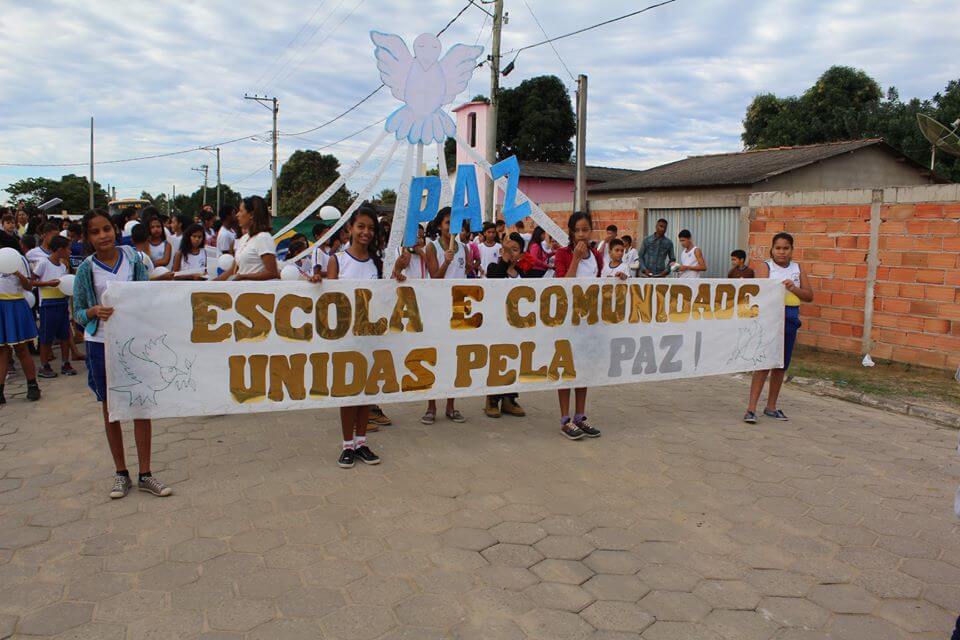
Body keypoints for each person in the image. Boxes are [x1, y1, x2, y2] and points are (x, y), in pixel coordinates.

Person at [73, 209, 172, 498]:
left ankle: (146, 473)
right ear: (88, 237)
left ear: (115, 230)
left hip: (134, 343)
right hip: (99, 343)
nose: (102, 236)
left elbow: (145, 297)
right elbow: (78, 312)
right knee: (111, 409)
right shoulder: (85, 269)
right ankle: (121, 473)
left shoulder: (134, 260)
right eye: (95, 232)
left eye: (106, 229)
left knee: (141, 406)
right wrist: (92, 311)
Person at [325, 206, 384, 469]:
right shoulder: (337, 260)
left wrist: (399, 276)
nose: (366, 232)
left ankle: (362, 442)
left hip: (370, 337)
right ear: (350, 228)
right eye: (361, 226)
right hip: (345, 337)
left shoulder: (378, 262)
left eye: (371, 228)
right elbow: (328, 299)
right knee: (348, 393)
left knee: (366, 392)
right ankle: (347, 445)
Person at [744, 232, 814, 424]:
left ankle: (771, 406)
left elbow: (809, 296)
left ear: (792, 250)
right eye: (778, 248)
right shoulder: (765, 267)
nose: (782, 252)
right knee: (763, 363)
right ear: (772, 250)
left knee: (781, 364)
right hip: (770, 319)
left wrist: (793, 288)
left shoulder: (798, 269)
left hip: (790, 318)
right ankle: (751, 408)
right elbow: (760, 293)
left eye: (786, 248)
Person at [552, 211, 602, 440]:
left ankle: (580, 416)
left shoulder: (597, 256)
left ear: (591, 230)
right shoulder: (562, 254)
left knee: (583, 368)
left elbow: (602, 283)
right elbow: (563, 284)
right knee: (567, 367)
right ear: (571, 232)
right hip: (567, 319)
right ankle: (565, 419)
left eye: (585, 229)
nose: (582, 234)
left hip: (588, 319)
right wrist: (575, 259)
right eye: (577, 230)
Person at [423, 207, 467, 425]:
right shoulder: (431, 247)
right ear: (440, 225)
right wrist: (447, 261)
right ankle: (431, 406)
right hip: (437, 309)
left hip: (458, 309)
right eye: (448, 222)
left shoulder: (464, 248)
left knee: (454, 358)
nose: (452, 227)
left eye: (456, 222)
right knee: (434, 358)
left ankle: (451, 406)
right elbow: (434, 278)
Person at [483, 232, 527, 419]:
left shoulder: (521, 274)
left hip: (516, 327)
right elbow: (495, 282)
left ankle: (510, 399)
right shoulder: (494, 267)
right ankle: (492, 400)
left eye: (515, 250)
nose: (511, 253)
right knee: (497, 361)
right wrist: (503, 260)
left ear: (521, 255)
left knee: (514, 362)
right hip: (497, 325)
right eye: (508, 249)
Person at [32, 236, 76, 379]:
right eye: (67, 249)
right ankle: (44, 365)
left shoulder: (63, 266)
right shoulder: (43, 263)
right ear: (59, 250)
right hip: (47, 304)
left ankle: (65, 362)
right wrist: (47, 283)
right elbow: (31, 281)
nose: (69, 252)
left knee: (65, 335)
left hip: (61, 302)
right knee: (46, 337)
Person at [0, 249, 41, 403]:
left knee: (22, 349)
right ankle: (0, 390)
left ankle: (32, 386)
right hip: (0, 307)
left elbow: (29, 286)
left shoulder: (18, 259)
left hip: (16, 305)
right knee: (2, 350)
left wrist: (17, 273)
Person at [218, 196, 278, 281]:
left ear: (252, 215)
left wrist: (244, 276)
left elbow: (272, 273)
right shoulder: (244, 238)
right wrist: (210, 284)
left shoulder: (263, 237)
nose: (237, 215)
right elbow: (232, 271)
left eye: (241, 211)